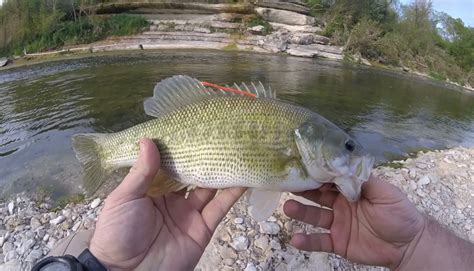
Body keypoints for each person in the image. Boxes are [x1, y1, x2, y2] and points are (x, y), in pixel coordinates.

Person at [38, 139, 473, 270]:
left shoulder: (309, 164)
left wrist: (99, 268)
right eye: (345, 145)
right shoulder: (296, 153)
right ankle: (107, 150)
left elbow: (263, 194)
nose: (352, 153)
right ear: (311, 141)